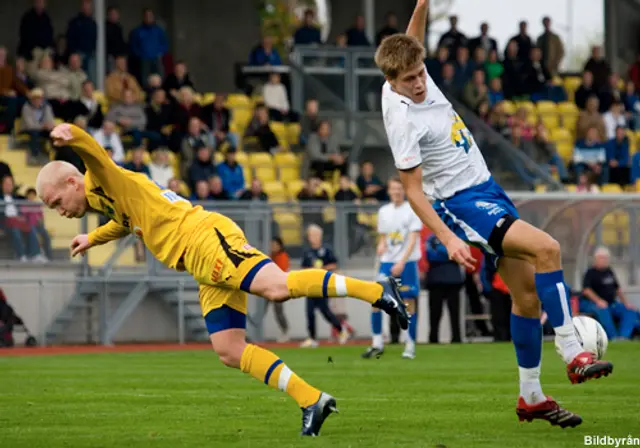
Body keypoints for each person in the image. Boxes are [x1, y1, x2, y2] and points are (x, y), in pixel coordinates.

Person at [35, 123, 409, 437]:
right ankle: (311, 399)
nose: (59, 212)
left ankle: (378, 291)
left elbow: (95, 155)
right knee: (229, 350)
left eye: (56, 202)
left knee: (277, 287)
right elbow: (125, 220)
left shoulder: (101, 178)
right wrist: (92, 238)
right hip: (198, 261)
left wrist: (74, 135)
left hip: (203, 238)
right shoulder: (103, 198)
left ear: (72, 181)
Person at [375, 0, 612, 429]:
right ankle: (572, 350)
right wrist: (449, 239)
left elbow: (414, 39)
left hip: (489, 190)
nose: (419, 84)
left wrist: (423, 4)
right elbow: (413, 191)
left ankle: (532, 398)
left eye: (420, 73)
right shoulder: (401, 119)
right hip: (463, 202)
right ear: (391, 80)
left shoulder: (412, 67)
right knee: (548, 248)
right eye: (409, 80)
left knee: (525, 297)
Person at [362, 178, 421, 360]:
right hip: (387, 262)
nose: (396, 192)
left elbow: (413, 238)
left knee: (409, 301)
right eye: (393, 189)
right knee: (376, 299)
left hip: (407, 262)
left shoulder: (412, 209)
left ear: (403, 190)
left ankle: (410, 343)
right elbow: (383, 236)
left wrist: (402, 261)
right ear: (388, 191)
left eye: (399, 189)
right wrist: (380, 246)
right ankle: (377, 342)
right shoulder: (384, 211)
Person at [300, 225, 349, 348]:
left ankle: (341, 330)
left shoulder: (326, 250)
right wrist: (311, 271)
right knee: (309, 312)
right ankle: (312, 338)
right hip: (310, 287)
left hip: (323, 286)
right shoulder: (307, 252)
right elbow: (303, 268)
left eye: (316, 235)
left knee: (325, 312)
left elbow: (334, 265)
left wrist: (321, 269)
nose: (314, 238)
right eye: (312, 235)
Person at [425, 234, 464, 343]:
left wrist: (441, 251)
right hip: (436, 280)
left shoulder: (456, 237)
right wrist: (448, 252)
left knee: (454, 312)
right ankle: (433, 338)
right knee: (435, 313)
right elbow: (430, 256)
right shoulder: (431, 238)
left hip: (453, 280)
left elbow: (459, 255)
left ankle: (456, 338)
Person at [268, 237, 290, 342]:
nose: (273, 247)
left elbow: (281, 272)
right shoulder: (270, 256)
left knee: (278, 311)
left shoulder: (282, 256)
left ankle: (285, 331)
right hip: (266, 286)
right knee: (260, 309)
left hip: (278, 288)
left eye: (275, 245)